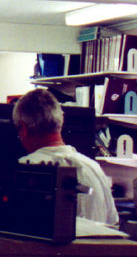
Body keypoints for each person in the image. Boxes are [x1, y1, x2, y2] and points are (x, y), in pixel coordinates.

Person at [12, 88, 118, 225]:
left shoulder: (25, 168)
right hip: (98, 246)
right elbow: (113, 224)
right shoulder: (94, 168)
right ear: (60, 122)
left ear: (23, 129)